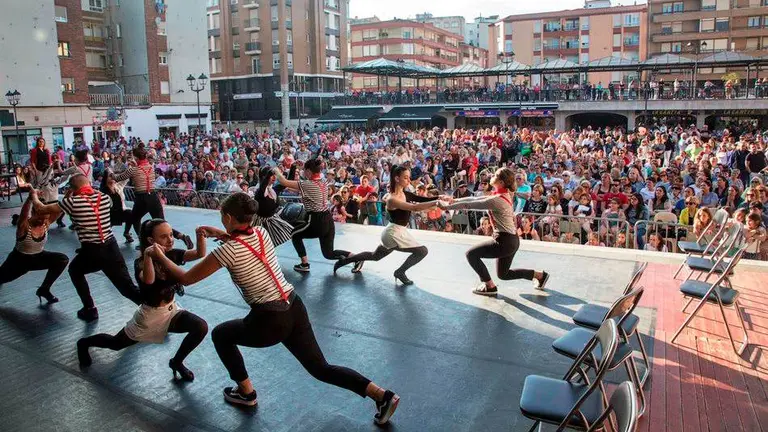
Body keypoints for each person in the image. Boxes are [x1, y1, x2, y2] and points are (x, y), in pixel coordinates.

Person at [147, 193, 400, 424]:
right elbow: (243, 240)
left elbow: (186, 278)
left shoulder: (226, 252)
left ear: (227, 217)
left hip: (268, 319)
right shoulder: (260, 232)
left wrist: (158, 255)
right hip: (293, 306)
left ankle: (246, 393)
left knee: (221, 335)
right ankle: (381, 395)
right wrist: (220, 233)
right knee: (320, 367)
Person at [77, 219, 209, 381]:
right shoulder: (140, 263)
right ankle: (84, 343)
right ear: (151, 241)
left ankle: (177, 362)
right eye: (164, 237)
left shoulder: (172, 254)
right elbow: (149, 280)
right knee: (115, 344)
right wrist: (148, 256)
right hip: (150, 317)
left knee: (200, 327)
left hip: (171, 310)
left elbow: (199, 254)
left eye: (171, 235)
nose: (170, 239)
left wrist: (200, 235)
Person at [31, 174, 142, 321]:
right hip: (111, 246)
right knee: (127, 287)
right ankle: (154, 308)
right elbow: (91, 197)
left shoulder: (71, 202)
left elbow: (41, 208)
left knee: (75, 270)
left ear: (72, 188)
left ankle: (90, 308)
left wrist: (33, 195)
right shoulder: (104, 198)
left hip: (92, 250)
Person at [439, 167, 549, 296]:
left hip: (504, 241)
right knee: (504, 274)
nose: (492, 176)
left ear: (501, 182)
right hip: (512, 240)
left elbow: (471, 204)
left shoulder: (497, 200)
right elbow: (475, 199)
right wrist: (452, 200)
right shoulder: (504, 193)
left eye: (495, 175)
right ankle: (540, 276)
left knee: (471, 255)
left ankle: (489, 286)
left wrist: (447, 206)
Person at [332, 164, 443, 285]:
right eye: (406, 177)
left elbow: (422, 200)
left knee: (375, 256)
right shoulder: (392, 199)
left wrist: (441, 197)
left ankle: (344, 261)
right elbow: (415, 207)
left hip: (394, 231)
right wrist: (437, 202)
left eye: (409, 177)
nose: (409, 180)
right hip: (393, 233)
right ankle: (400, 272)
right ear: (396, 179)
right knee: (422, 251)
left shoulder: (405, 194)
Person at [272, 159, 357, 273]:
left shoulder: (307, 184)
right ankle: (355, 257)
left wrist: (276, 170)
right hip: (328, 219)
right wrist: (298, 167)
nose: (302, 173)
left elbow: (283, 181)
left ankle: (304, 264)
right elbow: (308, 177)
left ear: (308, 171)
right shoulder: (323, 182)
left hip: (316, 220)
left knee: (295, 234)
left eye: (304, 171)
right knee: (328, 253)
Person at [113, 147, 192, 249]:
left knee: (135, 219)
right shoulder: (150, 167)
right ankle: (182, 236)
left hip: (141, 197)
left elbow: (118, 178)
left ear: (136, 157)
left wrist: (110, 172)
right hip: (153, 197)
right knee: (162, 222)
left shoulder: (133, 170)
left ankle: (143, 242)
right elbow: (142, 170)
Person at [0, 191, 69, 303]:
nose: (43, 221)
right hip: (19, 260)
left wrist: (70, 194)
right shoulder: (24, 225)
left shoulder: (45, 223)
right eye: (40, 218)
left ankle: (44, 289)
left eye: (45, 218)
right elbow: (23, 214)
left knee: (62, 259)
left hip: (38, 257)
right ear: (33, 213)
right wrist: (30, 198)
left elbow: (60, 209)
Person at [252, 166, 293, 247]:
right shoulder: (259, 191)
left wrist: (293, 167)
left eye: (275, 175)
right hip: (260, 223)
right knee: (258, 244)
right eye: (271, 175)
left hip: (272, 219)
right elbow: (263, 187)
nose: (274, 177)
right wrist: (270, 172)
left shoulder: (274, 190)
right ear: (265, 177)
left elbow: (287, 182)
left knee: (289, 233)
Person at [100, 169, 134, 243]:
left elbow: (126, 178)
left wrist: (130, 167)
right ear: (105, 178)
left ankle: (126, 233)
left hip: (120, 211)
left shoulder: (118, 186)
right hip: (109, 214)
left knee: (131, 213)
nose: (112, 177)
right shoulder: (102, 191)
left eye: (113, 175)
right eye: (110, 176)